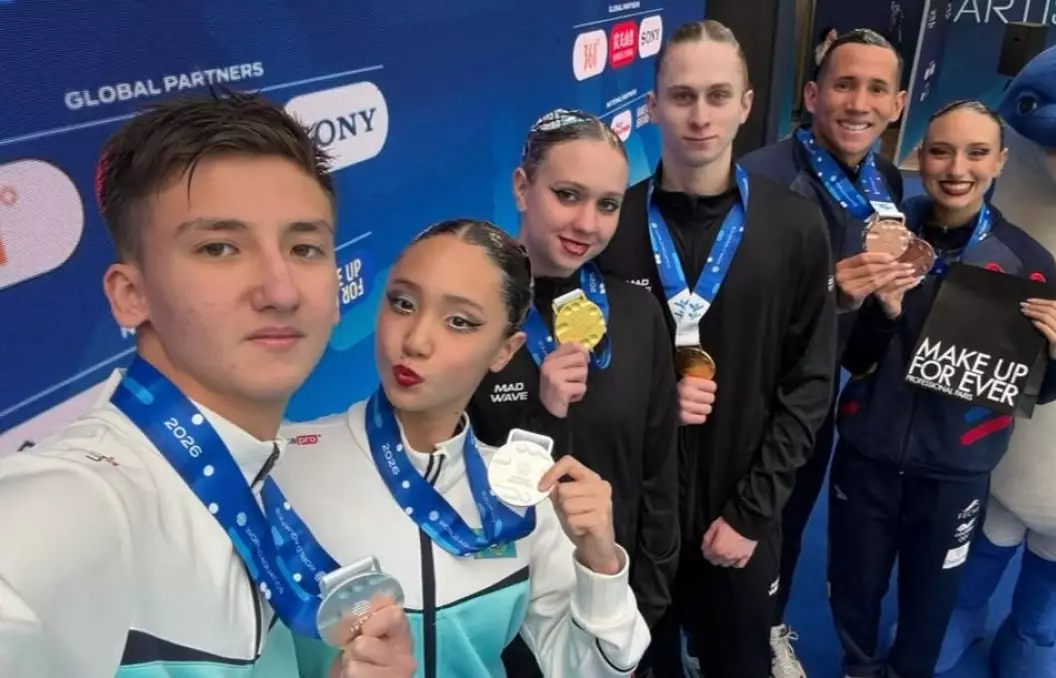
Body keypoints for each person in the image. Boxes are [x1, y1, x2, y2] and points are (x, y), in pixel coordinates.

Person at [0, 91, 413, 677]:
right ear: (131, 295)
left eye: (304, 248)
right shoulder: (69, 506)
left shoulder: (254, 474)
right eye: (219, 248)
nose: (281, 290)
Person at [272, 219, 652, 677]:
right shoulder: (283, 463)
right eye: (403, 303)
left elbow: (592, 670)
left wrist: (601, 564)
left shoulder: (523, 493)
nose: (415, 341)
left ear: (504, 351)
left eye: (459, 321)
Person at [596, 19, 838, 678]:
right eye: (682, 96)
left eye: (717, 96)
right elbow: (588, 374)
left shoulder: (794, 226)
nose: (699, 116)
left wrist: (753, 513)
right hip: (637, 525)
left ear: (746, 105)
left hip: (740, 516)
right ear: (653, 106)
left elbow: (810, 383)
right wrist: (649, 399)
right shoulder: (613, 229)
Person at [828, 100, 1056, 678]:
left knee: (931, 600)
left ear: (1000, 161)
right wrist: (882, 314)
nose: (957, 168)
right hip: (867, 457)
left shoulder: (1025, 262)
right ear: (920, 156)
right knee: (853, 584)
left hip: (955, 473)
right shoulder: (877, 240)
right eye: (941, 151)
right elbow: (848, 356)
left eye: (977, 153)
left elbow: (1039, 389)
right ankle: (858, 669)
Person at [465, 109, 679, 677]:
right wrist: (542, 414)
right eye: (567, 195)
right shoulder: (471, 319)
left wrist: (645, 600)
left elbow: (659, 472)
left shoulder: (636, 314)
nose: (587, 223)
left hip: (614, 599)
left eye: (608, 204)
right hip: (510, 619)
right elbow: (458, 483)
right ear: (521, 187)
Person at [739, 27, 909, 678]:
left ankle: (767, 625)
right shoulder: (758, 179)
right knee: (736, 524)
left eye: (876, 89)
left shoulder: (886, 183)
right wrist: (829, 294)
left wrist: (884, 314)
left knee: (789, 523)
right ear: (813, 95)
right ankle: (712, 631)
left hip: (813, 403)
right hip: (745, 401)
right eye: (844, 85)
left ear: (897, 104)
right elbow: (726, 316)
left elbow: (858, 347)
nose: (858, 103)